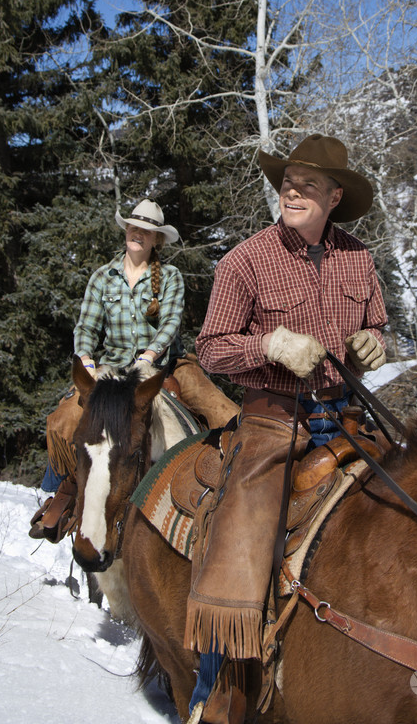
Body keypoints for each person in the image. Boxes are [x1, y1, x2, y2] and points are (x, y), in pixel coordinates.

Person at [185, 134, 387, 724]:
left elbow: (378, 321)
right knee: (239, 544)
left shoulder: (359, 258)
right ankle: (215, 690)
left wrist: (375, 342)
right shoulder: (245, 260)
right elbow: (212, 349)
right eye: (286, 182)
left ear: (334, 195)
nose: (291, 192)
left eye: (306, 184)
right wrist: (270, 344)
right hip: (274, 420)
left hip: (347, 416)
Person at [29, 199, 184, 541]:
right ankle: (62, 495)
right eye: (133, 227)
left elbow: (170, 322)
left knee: (216, 410)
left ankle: (219, 489)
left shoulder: (170, 277)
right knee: (65, 420)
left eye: (146, 231)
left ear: (157, 240)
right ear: (125, 231)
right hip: (112, 370)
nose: (137, 233)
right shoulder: (103, 277)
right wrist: (84, 357)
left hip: (160, 367)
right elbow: (86, 326)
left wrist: (150, 354)